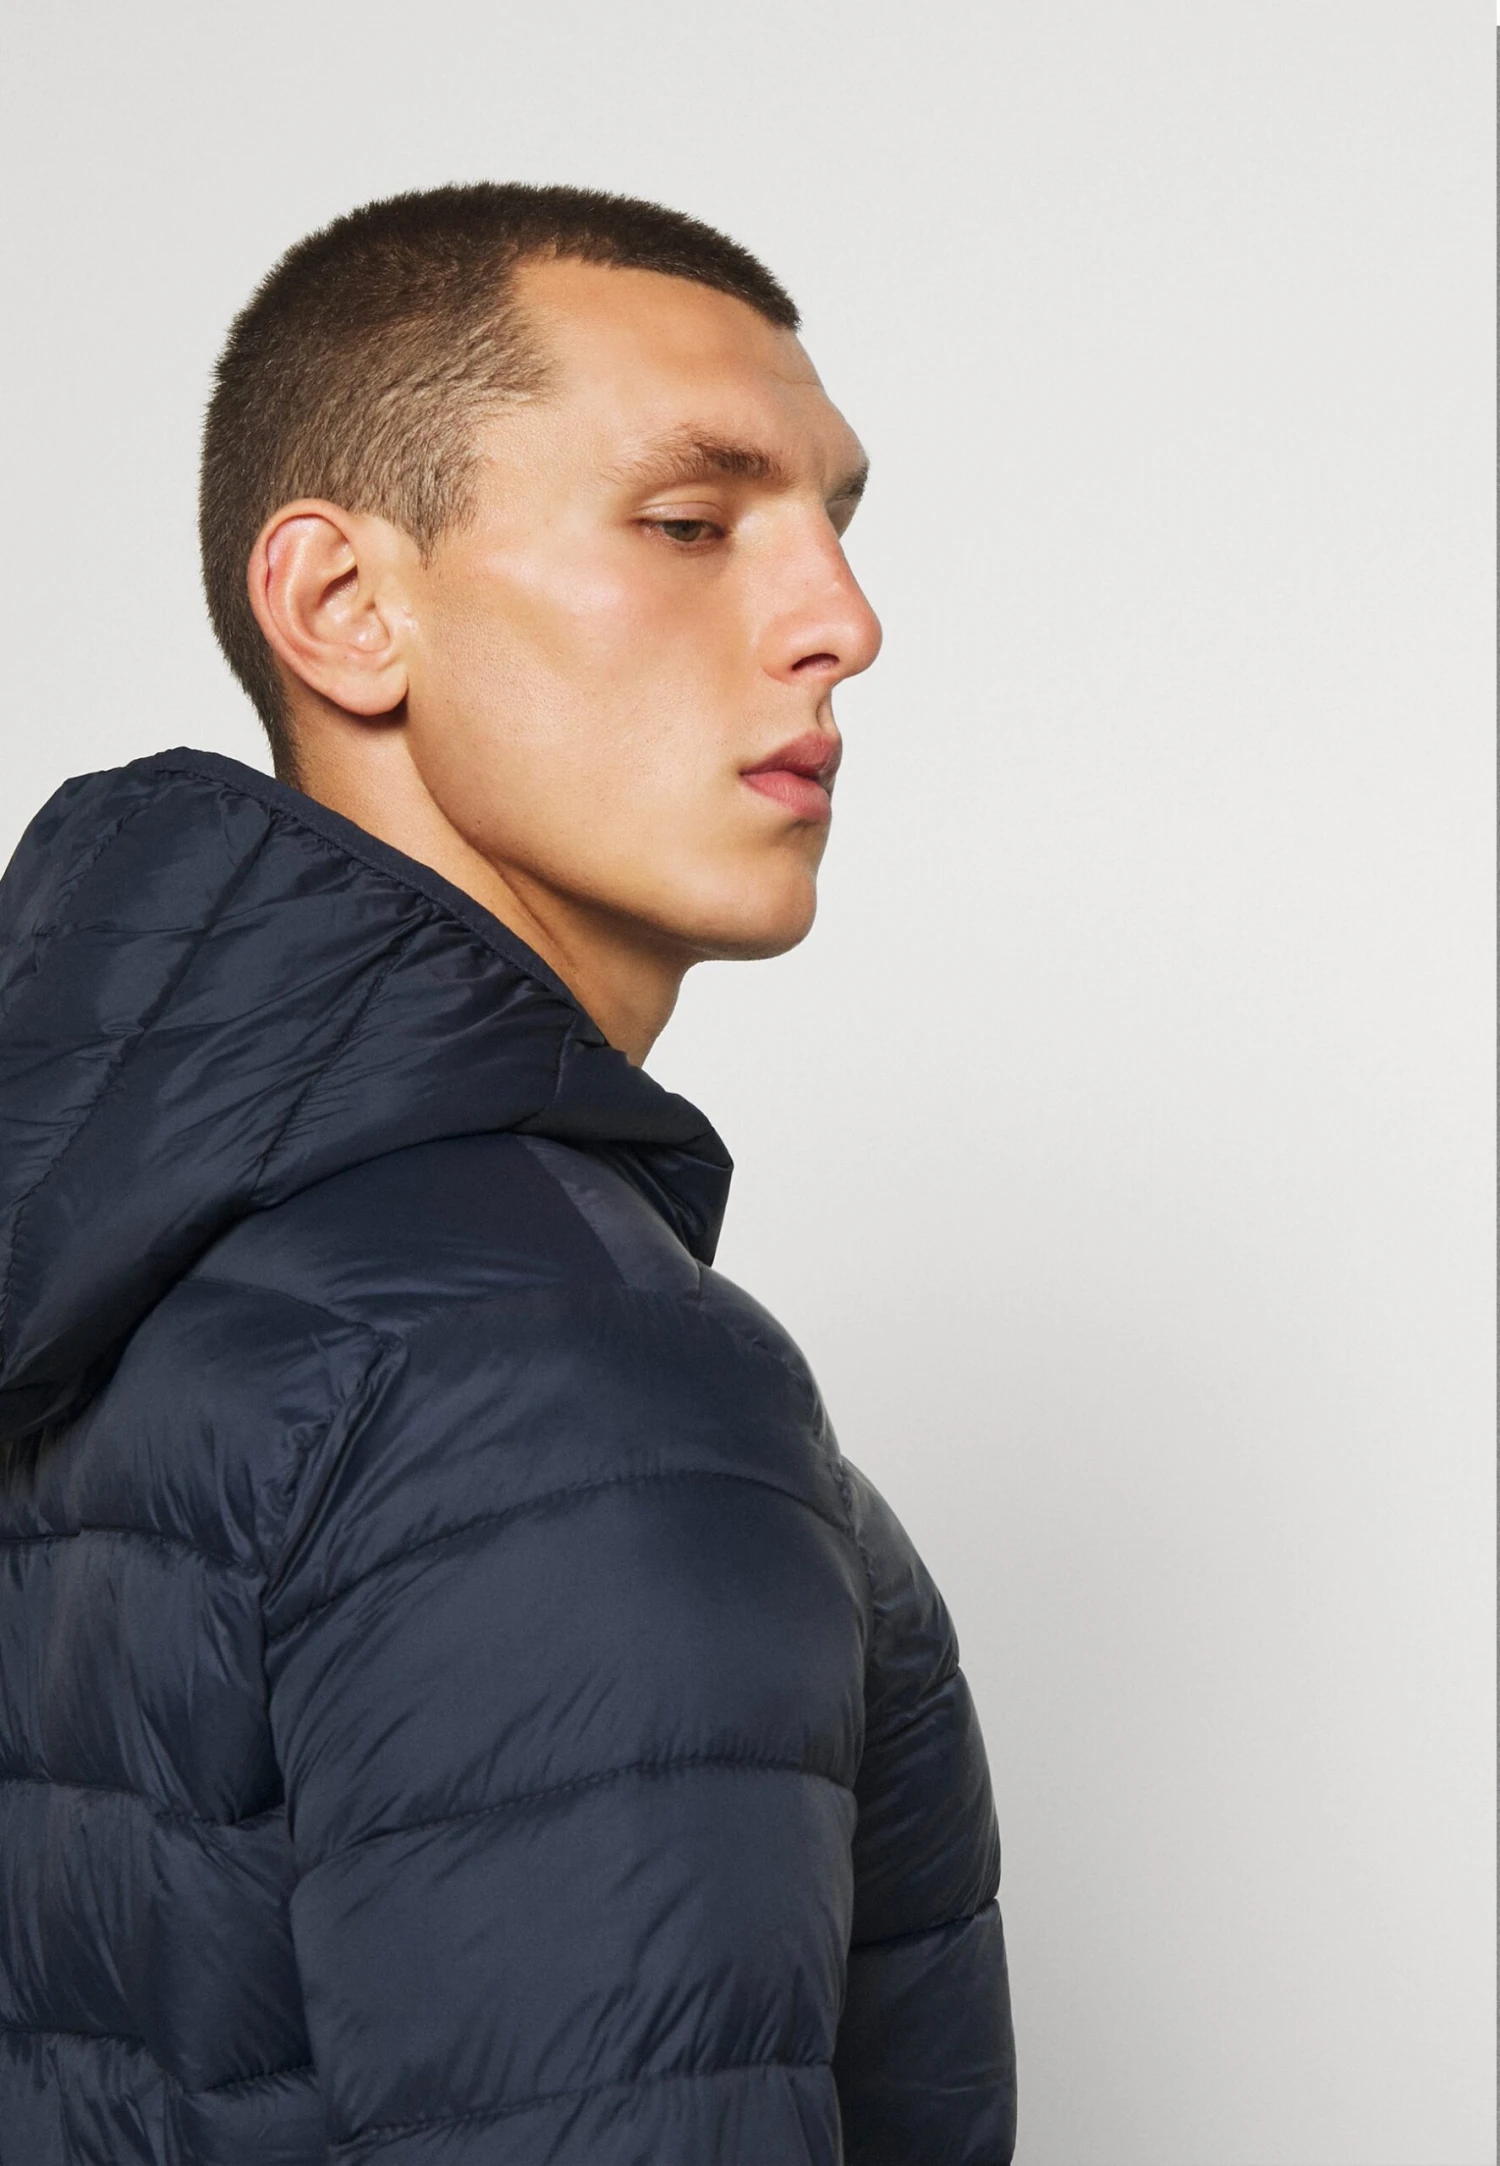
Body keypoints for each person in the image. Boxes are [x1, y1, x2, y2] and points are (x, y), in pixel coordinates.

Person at [0, 183, 1017, 2164]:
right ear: (344, 608)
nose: (844, 622)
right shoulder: (550, 1367)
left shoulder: (125, 1268)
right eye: (693, 521)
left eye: (835, 521)